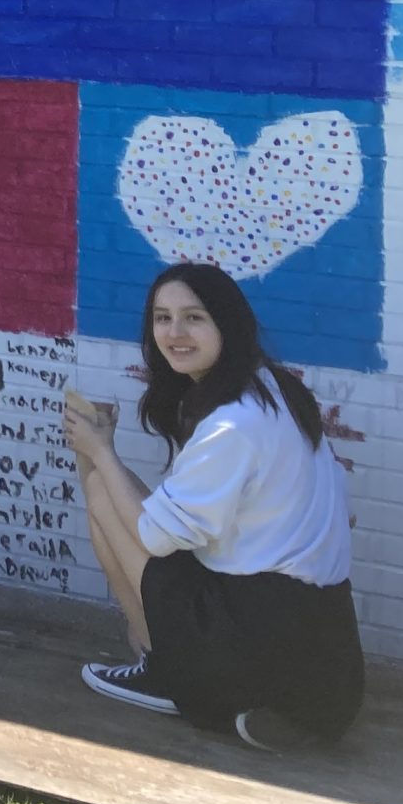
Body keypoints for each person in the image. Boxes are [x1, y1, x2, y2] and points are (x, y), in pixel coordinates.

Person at [66, 263, 363, 748]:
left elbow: (155, 537)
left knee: (105, 488)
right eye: (162, 318)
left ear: (227, 322)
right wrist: (97, 453)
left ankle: (165, 673)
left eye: (194, 318)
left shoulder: (233, 425)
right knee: (109, 487)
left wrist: (99, 451)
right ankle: (170, 666)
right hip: (323, 642)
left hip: (257, 636)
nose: (175, 332)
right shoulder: (272, 388)